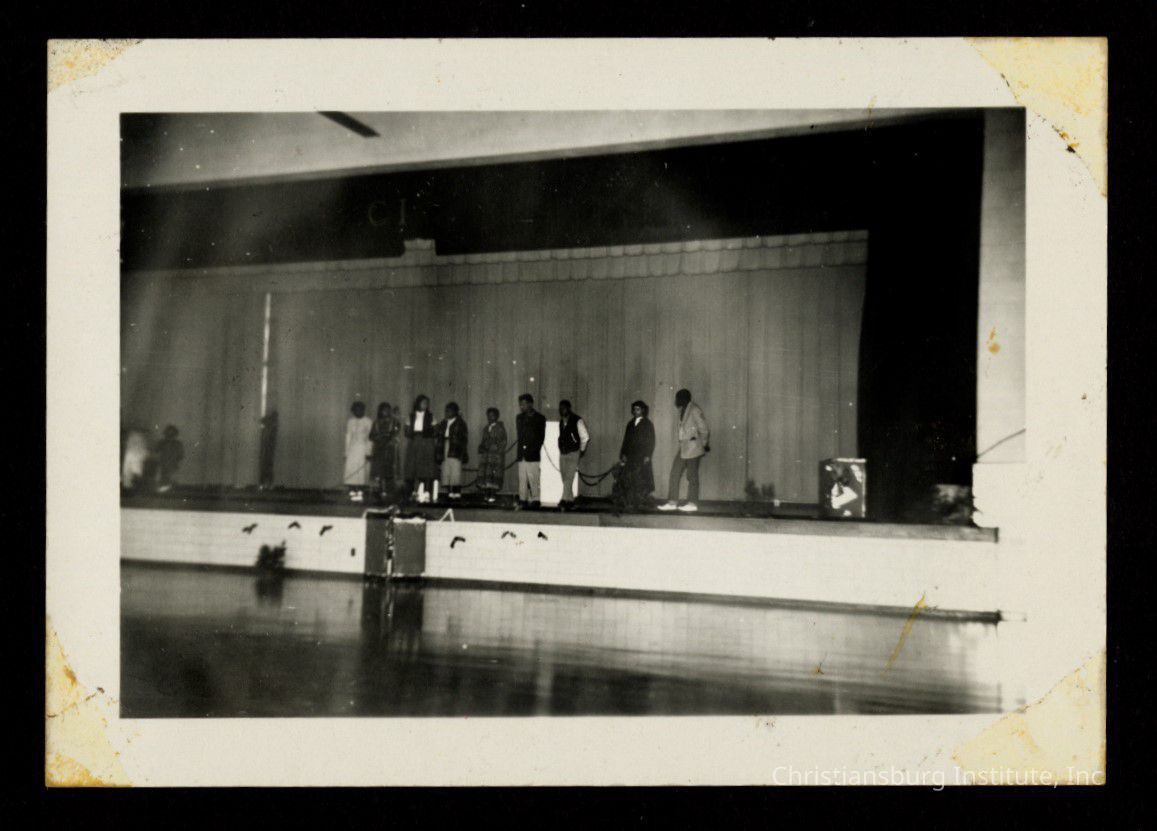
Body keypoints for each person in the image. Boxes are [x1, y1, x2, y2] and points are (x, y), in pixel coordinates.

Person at [658, 388, 711, 512]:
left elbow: (704, 429)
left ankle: (692, 503)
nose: (676, 400)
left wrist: (702, 444)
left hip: (694, 448)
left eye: (678, 398)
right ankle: (672, 502)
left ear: (685, 398)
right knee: (675, 473)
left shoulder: (695, 410)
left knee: (692, 476)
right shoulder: (682, 410)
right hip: (684, 448)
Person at [614, 400, 656, 510]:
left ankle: (640, 502)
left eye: (638, 409)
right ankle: (630, 502)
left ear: (643, 410)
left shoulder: (648, 424)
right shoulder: (630, 424)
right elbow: (626, 440)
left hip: (641, 457)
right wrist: (623, 454)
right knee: (629, 479)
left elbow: (651, 441)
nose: (636, 411)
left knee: (641, 479)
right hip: (630, 457)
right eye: (634, 409)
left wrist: (648, 455)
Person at [556, 399, 590, 510]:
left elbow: (585, 437)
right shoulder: (561, 422)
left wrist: (582, 450)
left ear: (569, 408)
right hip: (563, 453)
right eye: (560, 408)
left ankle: (563, 500)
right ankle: (570, 500)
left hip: (573, 452)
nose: (562, 410)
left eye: (564, 408)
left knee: (569, 477)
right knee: (564, 477)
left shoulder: (577, 420)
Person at [515, 393, 546, 508]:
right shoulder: (519, 418)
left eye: (523, 404)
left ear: (530, 404)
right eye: (520, 404)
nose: (521, 407)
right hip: (521, 454)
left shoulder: (540, 418)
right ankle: (523, 499)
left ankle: (536, 499)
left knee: (533, 478)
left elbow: (540, 438)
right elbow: (521, 435)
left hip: (533, 454)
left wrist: (532, 449)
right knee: (522, 478)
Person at [403, 394, 437, 498]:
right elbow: (406, 431)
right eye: (423, 403)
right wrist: (411, 432)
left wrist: (429, 433)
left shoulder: (431, 416)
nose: (425, 405)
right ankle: (412, 492)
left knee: (426, 467)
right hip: (414, 442)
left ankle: (426, 491)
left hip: (427, 442)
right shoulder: (411, 416)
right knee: (412, 467)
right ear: (418, 403)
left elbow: (435, 430)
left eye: (427, 403)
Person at [434, 402, 469, 500]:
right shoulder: (443, 423)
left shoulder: (461, 423)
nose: (447, 413)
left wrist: (462, 452)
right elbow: (436, 433)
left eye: (449, 411)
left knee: (455, 471)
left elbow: (464, 439)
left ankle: (456, 493)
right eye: (446, 411)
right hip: (444, 447)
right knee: (446, 470)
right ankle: (449, 492)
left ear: (455, 412)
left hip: (455, 449)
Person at [477, 407, 508, 503]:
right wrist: (481, 447)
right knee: (486, 475)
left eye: (492, 416)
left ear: (497, 417)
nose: (490, 418)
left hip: (495, 457)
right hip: (486, 456)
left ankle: (493, 495)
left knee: (494, 476)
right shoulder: (486, 428)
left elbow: (503, 442)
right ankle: (487, 494)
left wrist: (496, 448)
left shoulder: (500, 428)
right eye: (488, 416)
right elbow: (483, 441)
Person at [369, 402, 400, 496]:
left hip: (390, 450)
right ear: (380, 411)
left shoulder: (394, 422)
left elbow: (397, 430)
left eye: (388, 410)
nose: (386, 412)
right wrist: (379, 438)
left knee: (390, 470)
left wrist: (390, 437)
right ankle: (380, 490)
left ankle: (390, 490)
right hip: (379, 449)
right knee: (379, 471)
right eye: (384, 410)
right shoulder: (376, 422)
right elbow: (371, 436)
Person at [344, 401, 373, 486]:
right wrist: (346, 452)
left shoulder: (368, 421)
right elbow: (348, 437)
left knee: (361, 471)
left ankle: (361, 490)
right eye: (355, 410)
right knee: (351, 469)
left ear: (363, 410)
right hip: (352, 450)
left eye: (360, 410)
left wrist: (368, 452)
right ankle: (352, 489)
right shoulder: (350, 421)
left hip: (363, 449)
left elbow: (370, 438)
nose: (358, 412)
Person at [155, 424, 184, 492]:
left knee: (172, 479)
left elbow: (180, 455)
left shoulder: (178, 444)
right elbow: (156, 450)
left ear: (175, 435)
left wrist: (176, 461)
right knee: (164, 478)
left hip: (172, 464)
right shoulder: (162, 442)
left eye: (172, 434)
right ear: (165, 434)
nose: (170, 436)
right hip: (164, 464)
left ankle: (171, 490)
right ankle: (163, 490)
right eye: (168, 434)